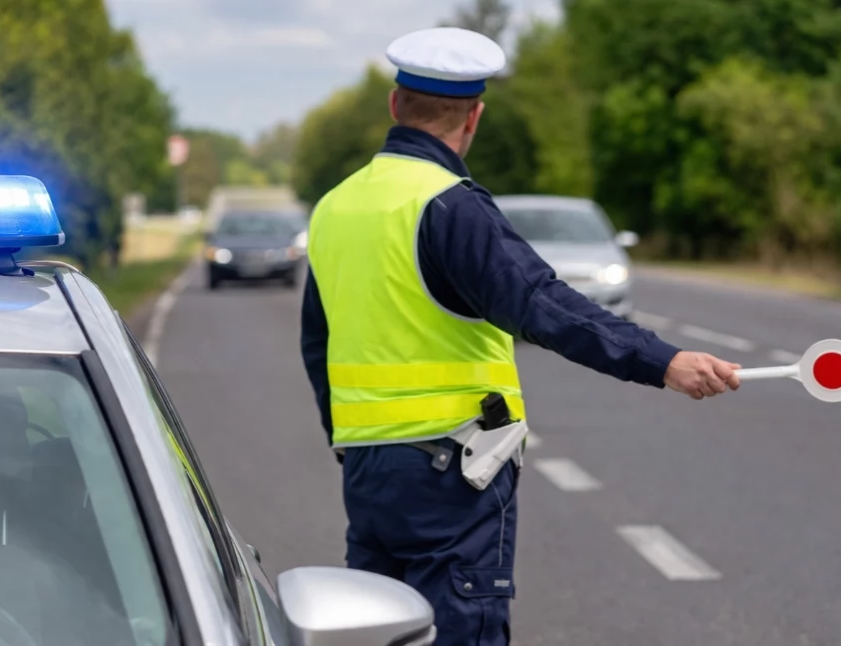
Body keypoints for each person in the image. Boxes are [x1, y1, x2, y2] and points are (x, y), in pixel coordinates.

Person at [298, 26, 743, 645]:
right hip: (451, 471)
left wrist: (349, 438)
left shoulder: (334, 208)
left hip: (369, 470)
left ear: (396, 105)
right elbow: (542, 304)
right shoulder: (449, 205)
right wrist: (662, 361)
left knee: (380, 633)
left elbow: (318, 344)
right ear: (474, 117)